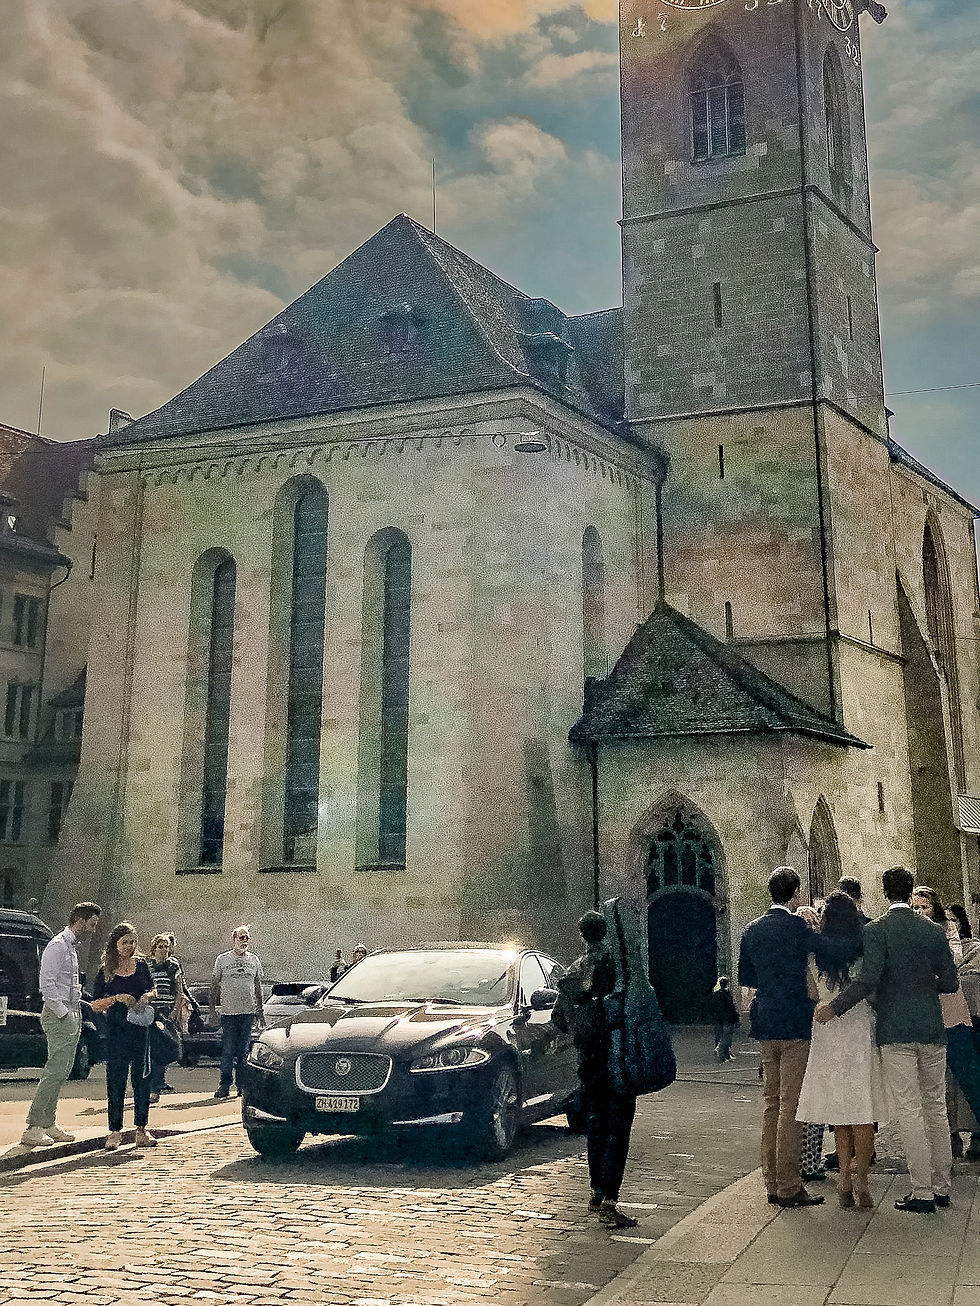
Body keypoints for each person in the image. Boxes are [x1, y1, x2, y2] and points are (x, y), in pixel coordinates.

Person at [816, 866, 959, 1213]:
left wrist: (835, 1007)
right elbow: (950, 983)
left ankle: (922, 1191)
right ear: (910, 892)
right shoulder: (933, 931)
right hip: (931, 1027)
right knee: (935, 1107)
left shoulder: (877, 930)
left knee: (909, 1110)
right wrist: (923, 984)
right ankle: (942, 1186)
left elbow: (867, 980)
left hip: (895, 1029)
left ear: (884, 892)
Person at [738, 866, 859, 1208]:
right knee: (790, 1105)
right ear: (794, 894)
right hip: (794, 1021)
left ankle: (771, 1181)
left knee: (771, 1103)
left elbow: (745, 974)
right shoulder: (796, 927)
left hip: (765, 1019)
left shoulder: (752, 928)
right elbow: (833, 951)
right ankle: (789, 1185)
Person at [796, 892, 886, 1208]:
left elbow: (811, 991)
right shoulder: (863, 948)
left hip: (826, 1027)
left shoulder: (815, 953)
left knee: (839, 1107)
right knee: (862, 1107)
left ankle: (845, 1178)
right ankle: (863, 1181)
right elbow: (872, 987)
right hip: (859, 1024)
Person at [553, 910, 638, 1229]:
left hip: (589, 1056)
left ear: (582, 935)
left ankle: (596, 1192)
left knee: (596, 1122)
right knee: (619, 1126)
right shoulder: (617, 967)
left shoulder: (573, 971)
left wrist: (581, 1030)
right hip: (617, 1053)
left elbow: (558, 1017)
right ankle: (609, 1201)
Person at [20, 902, 102, 1148]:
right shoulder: (57, 945)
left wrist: (78, 1007)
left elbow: (68, 984)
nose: (93, 930)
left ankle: (48, 1122)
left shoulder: (70, 947)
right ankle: (34, 1126)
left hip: (71, 1011)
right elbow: (47, 984)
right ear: (80, 920)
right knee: (54, 1070)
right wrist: (64, 1013)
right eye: (92, 924)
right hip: (60, 1015)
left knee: (63, 1071)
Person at [910, 886, 980, 1163]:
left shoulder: (946, 929)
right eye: (915, 907)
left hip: (951, 1011)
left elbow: (953, 961)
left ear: (934, 909)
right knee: (935, 1083)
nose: (919, 912)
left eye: (924, 907)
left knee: (967, 1074)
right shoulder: (909, 931)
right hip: (925, 1014)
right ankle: (946, 1139)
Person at [90, 921, 157, 1151]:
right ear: (115, 944)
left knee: (142, 1078)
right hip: (117, 1031)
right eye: (124, 942)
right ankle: (115, 1131)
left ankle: (141, 1129)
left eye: (132, 942)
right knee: (116, 1080)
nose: (128, 946)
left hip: (140, 1029)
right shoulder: (106, 971)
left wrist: (147, 996)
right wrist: (117, 998)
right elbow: (95, 1004)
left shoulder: (142, 966)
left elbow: (153, 988)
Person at [210, 926, 265, 1100]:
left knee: (243, 1052)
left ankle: (242, 1086)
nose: (244, 941)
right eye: (241, 938)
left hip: (247, 1013)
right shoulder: (223, 959)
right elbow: (214, 985)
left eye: (247, 938)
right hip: (229, 1013)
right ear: (233, 939)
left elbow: (258, 986)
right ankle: (224, 1086)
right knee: (228, 1051)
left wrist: (260, 1011)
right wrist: (212, 1010)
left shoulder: (254, 960)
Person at [146, 932, 185, 1102]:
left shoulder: (173, 966)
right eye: (160, 947)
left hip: (167, 1011)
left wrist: (175, 1011)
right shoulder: (148, 966)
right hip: (152, 1012)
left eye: (166, 947)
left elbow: (179, 991)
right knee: (155, 1050)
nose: (163, 950)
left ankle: (158, 1081)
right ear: (154, 948)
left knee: (171, 1048)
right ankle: (154, 1087)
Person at [710, 977, 739, 1063]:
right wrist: (736, 1019)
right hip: (727, 1019)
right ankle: (722, 1054)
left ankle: (725, 1053)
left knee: (720, 1035)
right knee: (726, 1037)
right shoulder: (727, 994)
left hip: (719, 1019)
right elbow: (731, 1008)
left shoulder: (716, 995)